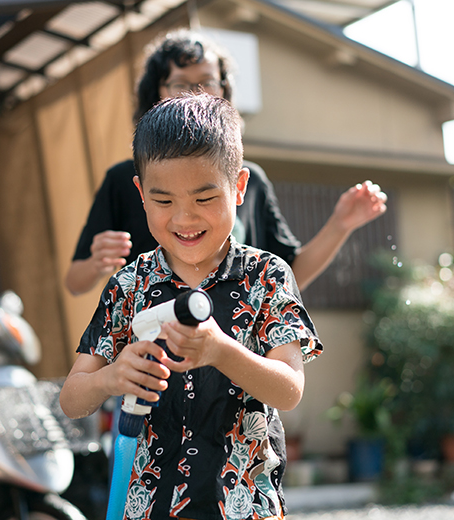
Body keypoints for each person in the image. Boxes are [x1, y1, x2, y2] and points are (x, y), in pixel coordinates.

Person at [59, 94, 323, 519]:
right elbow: (73, 399)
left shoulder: (265, 276)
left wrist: (221, 351)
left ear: (238, 188)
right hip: (148, 508)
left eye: (204, 198)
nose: (184, 218)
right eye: (163, 201)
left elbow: (290, 389)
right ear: (141, 193)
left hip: (243, 507)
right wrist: (112, 377)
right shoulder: (131, 283)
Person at [65, 28, 387, 297]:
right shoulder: (122, 178)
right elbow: (74, 283)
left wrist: (340, 225)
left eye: (208, 81)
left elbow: (287, 278)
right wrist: (96, 262)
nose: (195, 93)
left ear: (239, 187)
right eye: (180, 84)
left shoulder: (254, 181)